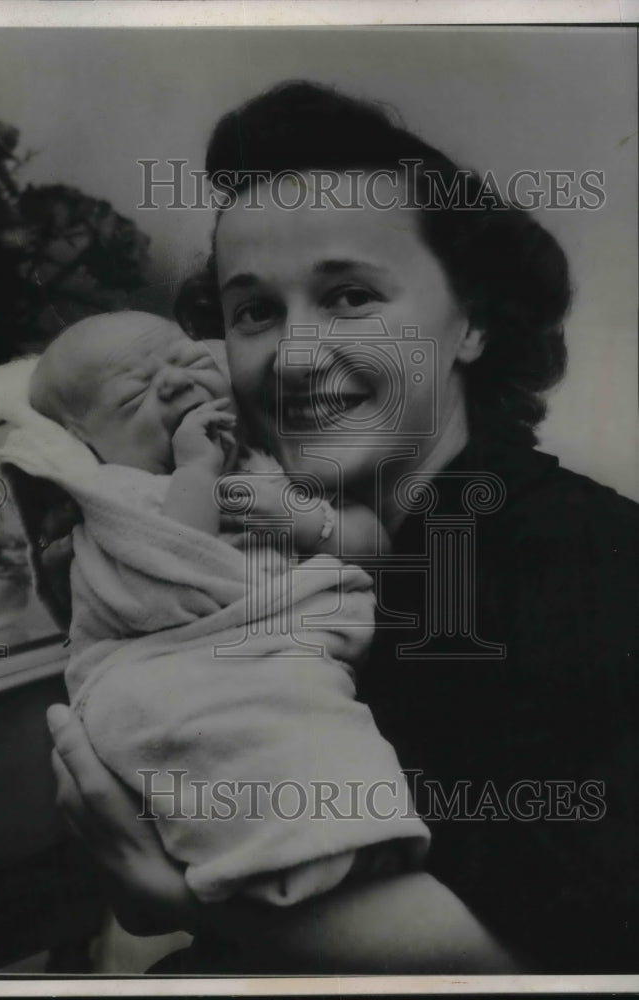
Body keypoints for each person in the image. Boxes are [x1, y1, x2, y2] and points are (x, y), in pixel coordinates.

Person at [45, 81, 639, 973]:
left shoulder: (587, 555)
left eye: (351, 296)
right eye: (255, 312)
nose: (292, 355)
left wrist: (177, 898)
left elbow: (580, 945)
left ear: (470, 321)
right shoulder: (246, 549)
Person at [0, 309, 430, 909]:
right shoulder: (119, 499)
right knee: (186, 719)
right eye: (134, 396)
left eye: (187, 361)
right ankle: (285, 853)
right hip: (188, 655)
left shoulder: (271, 456)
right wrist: (195, 474)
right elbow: (180, 567)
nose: (177, 384)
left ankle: (345, 840)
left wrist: (302, 517)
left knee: (315, 723)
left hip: (295, 639)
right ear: (85, 440)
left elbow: (373, 544)